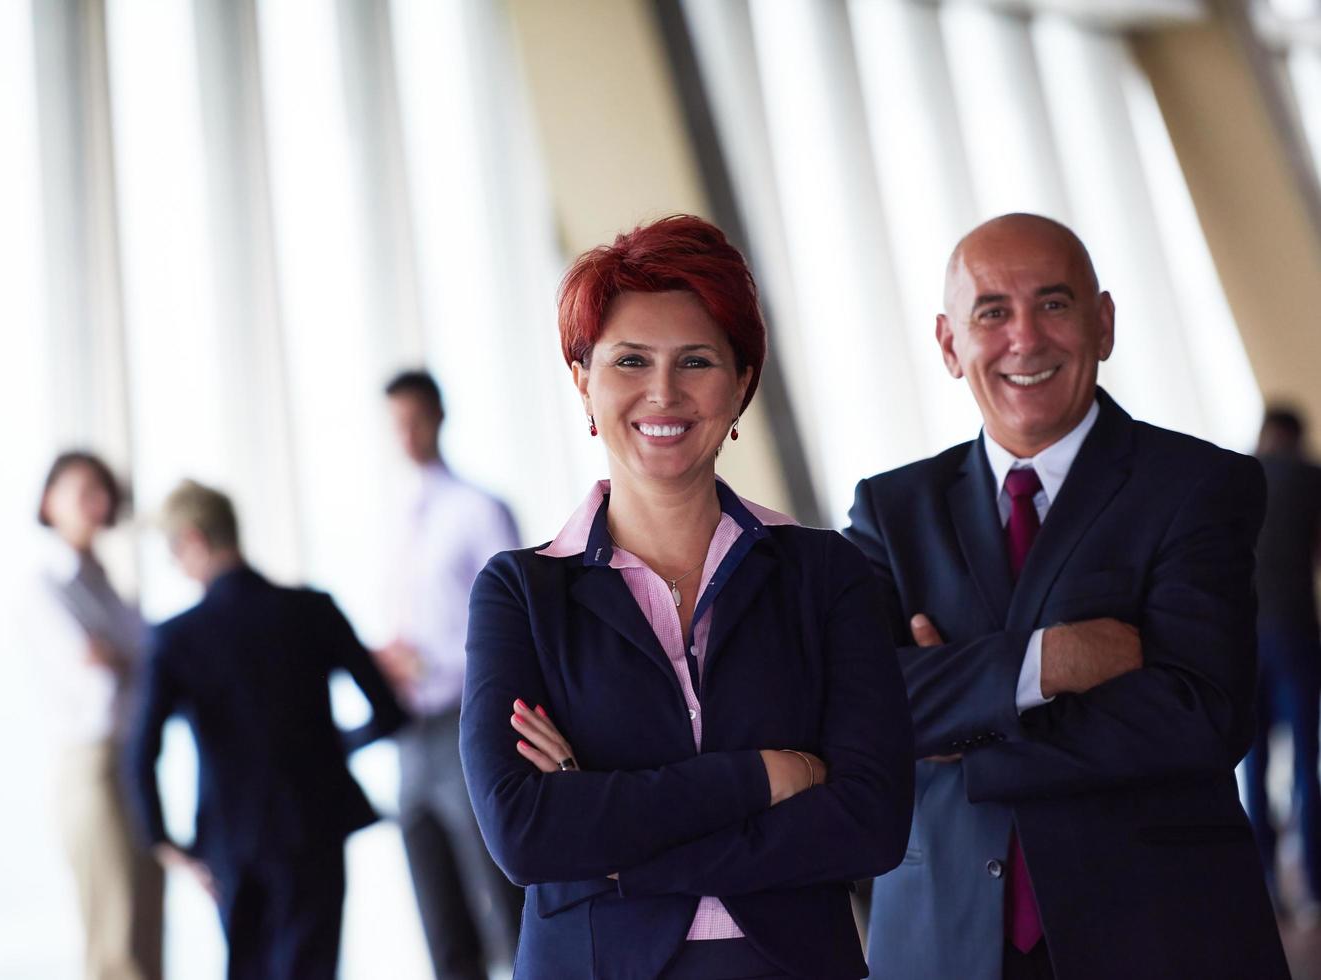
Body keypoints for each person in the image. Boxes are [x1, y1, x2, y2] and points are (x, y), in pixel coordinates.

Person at [460, 215, 914, 979]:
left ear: (740, 383)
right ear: (583, 382)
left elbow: (868, 825)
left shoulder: (825, 574)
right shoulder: (520, 592)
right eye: (630, 361)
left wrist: (608, 835)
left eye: (695, 361)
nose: (662, 393)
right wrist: (763, 778)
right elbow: (525, 834)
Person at [845, 213, 1288, 979]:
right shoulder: (889, 509)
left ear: (1103, 323)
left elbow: (1198, 717)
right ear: (950, 345)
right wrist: (1046, 662)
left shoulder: (1196, 486)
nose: (1024, 339)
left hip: (1160, 932)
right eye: (991, 313)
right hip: (943, 941)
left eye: (1053, 305)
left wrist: (964, 734)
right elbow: (852, 705)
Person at [125, 479, 406, 980]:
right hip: (313, 822)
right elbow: (388, 712)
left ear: (192, 539)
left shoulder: (176, 638)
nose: (175, 563)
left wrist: (165, 842)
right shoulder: (313, 609)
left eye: (173, 550)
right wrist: (334, 748)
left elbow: (142, 752)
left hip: (230, 838)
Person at [378, 370, 525, 979]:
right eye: (395, 424)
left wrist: (433, 662)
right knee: (437, 909)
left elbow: (513, 627)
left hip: (468, 722)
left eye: (415, 419)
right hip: (409, 730)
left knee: (502, 898)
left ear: (439, 417)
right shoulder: (391, 518)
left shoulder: (478, 509)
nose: (406, 435)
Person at [29, 451, 163, 980]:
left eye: (100, 490)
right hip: (91, 767)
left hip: (132, 761)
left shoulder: (111, 587)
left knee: (147, 918)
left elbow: (146, 667)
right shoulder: (45, 585)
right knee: (115, 934)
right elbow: (97, 679)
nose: (94, 501)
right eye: (79, 489)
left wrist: (118, 656)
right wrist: (124, 660)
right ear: (48, 500)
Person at [1243, 406, 1321, 913]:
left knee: (1253, 764)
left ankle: (1266, 883)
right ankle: (1313, 886)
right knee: (1304, 765)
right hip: (1296, 634)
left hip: (1244, 643)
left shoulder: (1237, 477)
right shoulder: (1312, 479)